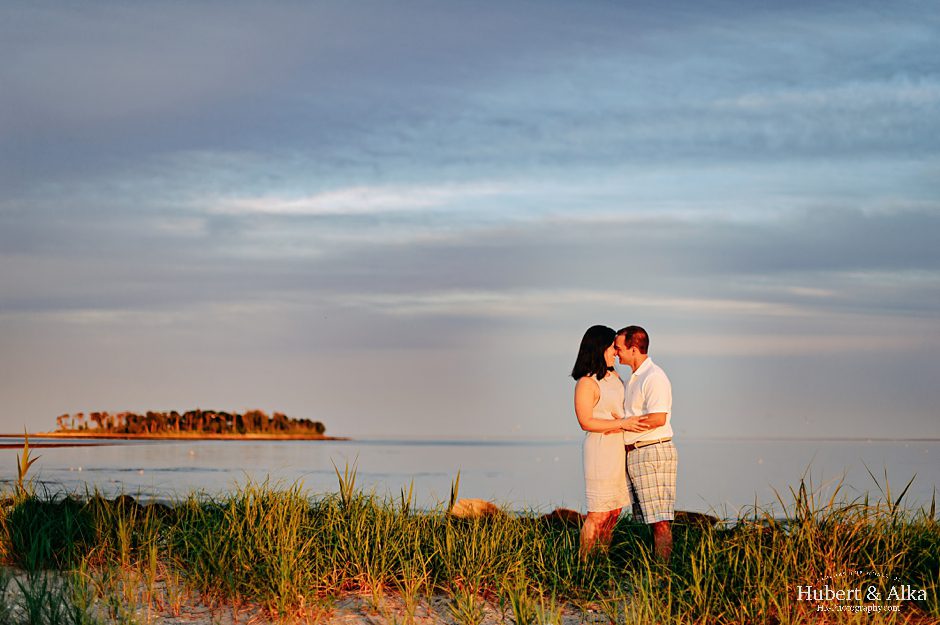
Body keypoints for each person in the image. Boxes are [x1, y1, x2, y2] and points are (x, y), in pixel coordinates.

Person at [571, 325, 651, 558]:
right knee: (598, 513)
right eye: (612, 347)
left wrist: (624, 423)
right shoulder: (587, 383)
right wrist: (621, 424)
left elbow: (622, 412)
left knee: (614, 511)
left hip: (618, 449)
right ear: (599, 348)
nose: (616, 352)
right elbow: (585, 422)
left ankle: (602, 557)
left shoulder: (614, 377)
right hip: (600, 450)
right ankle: (585, 562)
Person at [614, 325, 676, 561]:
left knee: (660, 521)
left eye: (619, 348)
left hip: (652, 451)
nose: (616, 353)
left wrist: (624, 425)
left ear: (633, 349)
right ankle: (655, 567)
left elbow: (659, 418)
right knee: (649, 520)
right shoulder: (635, 378)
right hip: (638, 453)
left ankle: (663, 572)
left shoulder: (653, 377)